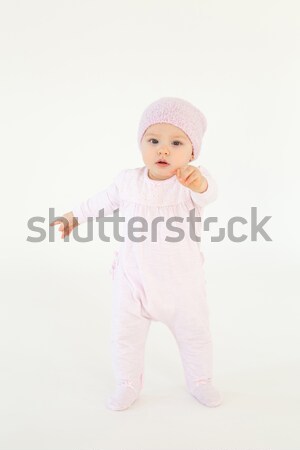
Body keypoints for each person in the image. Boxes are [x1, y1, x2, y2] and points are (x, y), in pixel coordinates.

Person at [50, 97, 222, 411]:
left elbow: (209, 192)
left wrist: (199, 182)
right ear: (141, 144)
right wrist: (73, 217)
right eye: (153, 140)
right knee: (124, 336)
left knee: (195, 333)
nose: (163, 149)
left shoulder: (190, 184)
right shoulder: (127, 181)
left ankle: (200, 380)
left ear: (193, 152)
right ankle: (127, 383)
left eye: (176, 142)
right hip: (133, 281)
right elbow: (98, 202)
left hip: (181, 285)